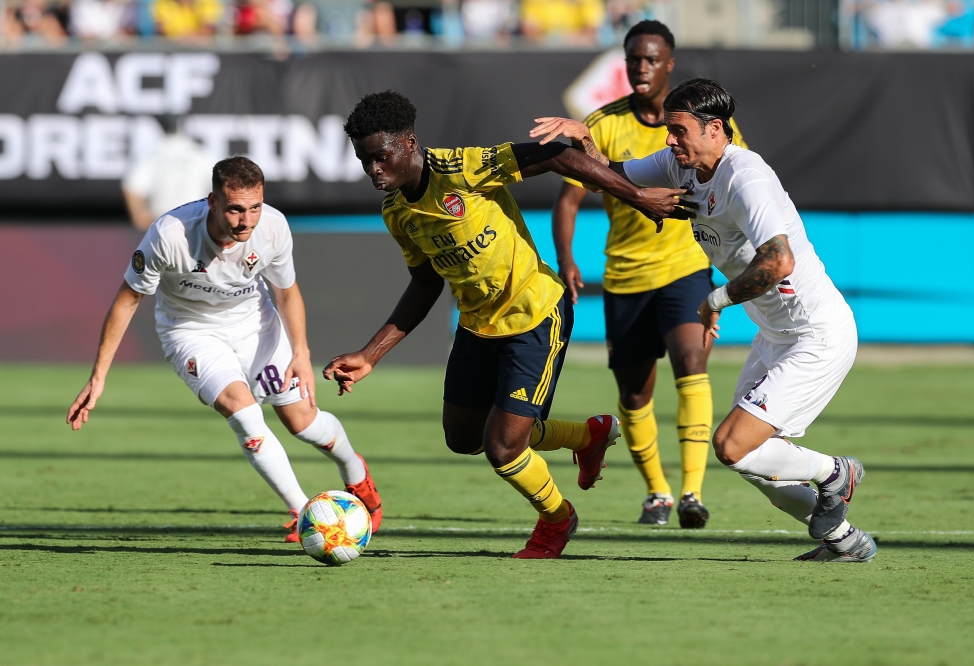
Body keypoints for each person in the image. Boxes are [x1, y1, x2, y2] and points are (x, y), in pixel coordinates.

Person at [324, 91, 693, 559]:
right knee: (464, 440)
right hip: (478, 326)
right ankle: (588, 435)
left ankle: (558, 521)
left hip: (535, 313)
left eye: (381, 157)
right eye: (364, 161)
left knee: (502, 448)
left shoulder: (462, 168)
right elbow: (424, 284)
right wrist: (369, 355)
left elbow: (557, 155)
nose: (373, 169)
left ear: (410, 142)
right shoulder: (397, 212)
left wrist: (638, 197)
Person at [530, 79, 875, 562]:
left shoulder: (745, 176)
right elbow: (605, 176)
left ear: (715, 129)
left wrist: (714, 300)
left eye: (678, 130)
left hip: (817, 334)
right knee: (750, 461)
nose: (669, 140)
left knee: (733, 446)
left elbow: (779, 261)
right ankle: (846, 542)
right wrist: (583, 139)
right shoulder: (680, 163)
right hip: (776, 334)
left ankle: (838, 472)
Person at [68, 156, 382, 542]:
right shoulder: (169, 235)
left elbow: (286, 293)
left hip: (255, 324)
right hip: (191, 331)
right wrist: (98, 377)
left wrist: (301, 352)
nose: (246, 220)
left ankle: (356, 474)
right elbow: (127, 300)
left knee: (302, 423)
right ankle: (307, 515)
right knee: (243, 410)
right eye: (235, 208)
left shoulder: (273, 227)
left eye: (254, 207)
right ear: (213, 202)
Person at [532, 19, 747, 528]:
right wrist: (566, 260)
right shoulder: (602, 123)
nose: (642, 68)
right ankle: (658, 493)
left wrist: (727, 265)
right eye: (634, 59)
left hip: (685, 267)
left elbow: (737, 185)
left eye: (652, 59)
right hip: (626, 275)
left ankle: (692, 492)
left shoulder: (705, 121)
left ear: (670, 64)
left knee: (691, 361)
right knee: (634, 393)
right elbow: (570, 199)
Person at [122, 115, 215, 232]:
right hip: (195, 221)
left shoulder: (152, 153)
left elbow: (132, 187)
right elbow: (219, 185)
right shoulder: (200, 153)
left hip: (163, 223)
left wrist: (140, 217)